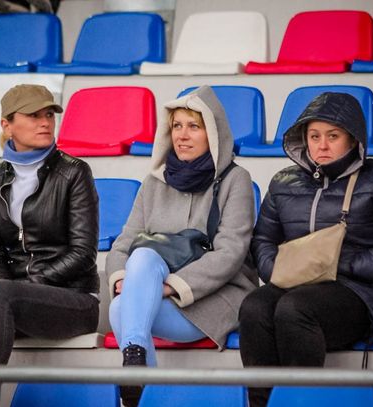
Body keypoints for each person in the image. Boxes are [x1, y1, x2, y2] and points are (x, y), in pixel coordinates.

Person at [238, 92, 373, 406]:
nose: (322, 145)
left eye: (333, 136)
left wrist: (346, 264)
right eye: (314, 136)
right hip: (295, 285)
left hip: (359, 294)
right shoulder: (283, 181)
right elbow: (262, 241)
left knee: (294, 308)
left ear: (353, 139)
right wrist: (280, 271)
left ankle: (300, 402)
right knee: (254, 307)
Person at [106, 85, 258, 407]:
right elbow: (124, 243)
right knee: (126, 290)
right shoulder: (153, 182)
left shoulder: (236, 179)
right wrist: (122, 279)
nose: (183, 135)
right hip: (152, 289)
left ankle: (138, 390)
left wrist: (170, 286)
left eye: (194, 126)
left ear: (213, 133)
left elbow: (231, 252)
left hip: (216, 297)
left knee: (127, 301)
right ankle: (138, 379)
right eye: (177, 126)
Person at [0, 84, 100, 364]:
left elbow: (83, 253)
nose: (45, 122)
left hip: (73, 298)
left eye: (49, 114)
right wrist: (12, 288)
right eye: (33, 115)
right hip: (14, 296)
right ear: (7, 126)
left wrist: (29, 284)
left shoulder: (74, 172)